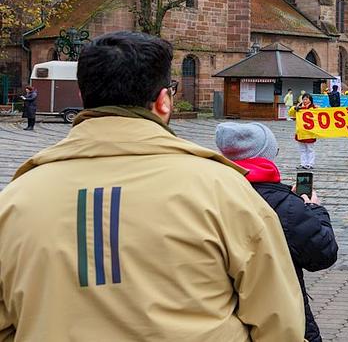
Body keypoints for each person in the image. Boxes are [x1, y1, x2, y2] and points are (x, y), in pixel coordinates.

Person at [0, 31, 304, 340]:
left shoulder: (15, 200)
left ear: (82, 96)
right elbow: (279, 323)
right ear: (163, 102)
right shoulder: (222, 189)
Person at [215, 122, 339, 342]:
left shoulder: (207, 192)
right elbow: (322, 253)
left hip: (220, 315)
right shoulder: (285, 205)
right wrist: (313, 209)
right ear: (267, 156)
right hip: (279, 316)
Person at [296, 93, 317, 170]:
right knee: (302, 149)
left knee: (310, 149)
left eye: (306, 99)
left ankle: (310, 163)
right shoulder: (300, 108)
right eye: (303, 99)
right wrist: (296, 107)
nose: (305, 101)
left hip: (310, 132)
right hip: (301, 131)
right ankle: (303, 163)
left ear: (310, 100)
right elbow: (291, 113)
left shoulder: (314, 108)